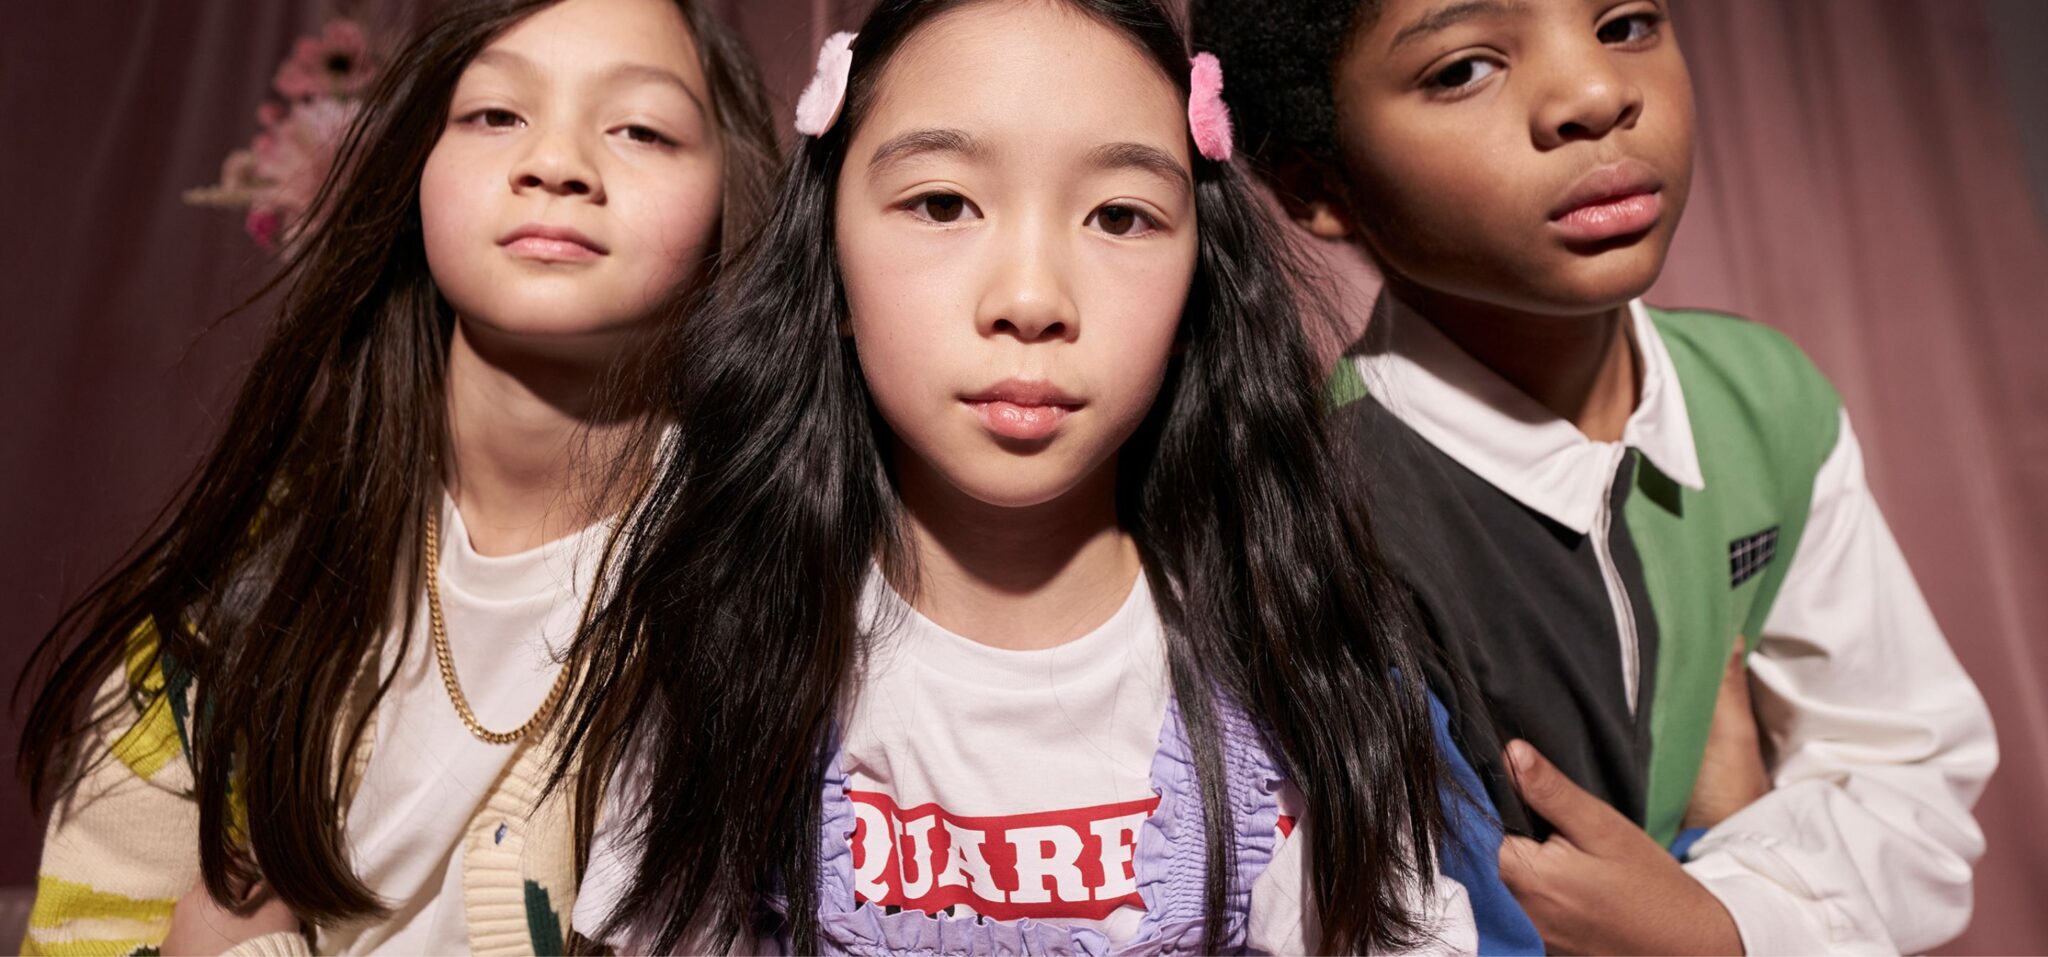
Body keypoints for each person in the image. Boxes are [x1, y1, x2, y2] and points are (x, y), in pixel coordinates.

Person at [558, 0, 1494, 952]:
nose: (1031, 299)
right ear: (830, 263)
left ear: (1197, 286)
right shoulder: (736, 639)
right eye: (942, 204)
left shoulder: (1284, 665)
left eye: (1119, 216)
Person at [1192, 0, 1999, 951]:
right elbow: (1380, 917)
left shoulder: (1764, 403)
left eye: (1623, 24)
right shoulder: (1316, 516)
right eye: (1464, 69)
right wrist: (1753, 833)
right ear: (1312, 182)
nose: (1596, 94)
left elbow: (1912, 790)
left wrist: (1720, 921)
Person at [17, 0, 777, 952]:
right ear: (414, 168)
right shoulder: (234, 602)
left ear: (730, 198)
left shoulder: (777, 596)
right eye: (496, 115)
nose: (558, 163)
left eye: (641, 128)